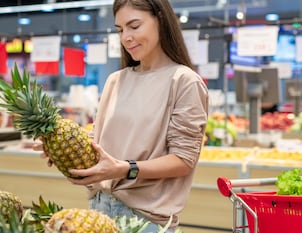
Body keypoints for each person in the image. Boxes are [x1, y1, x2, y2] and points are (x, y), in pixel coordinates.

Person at [36, 0, 208, 231]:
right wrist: (62, 148)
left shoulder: (183, 81)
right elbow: (100, 143)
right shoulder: (115, 81)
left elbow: (183, 160)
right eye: (120, 30)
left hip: (145, 221)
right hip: (98, 210)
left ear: (160, 19)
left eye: (134, 26)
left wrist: (125, 169)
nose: (125, 37)